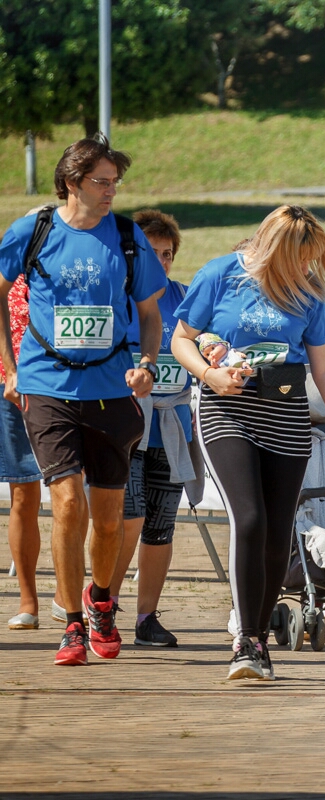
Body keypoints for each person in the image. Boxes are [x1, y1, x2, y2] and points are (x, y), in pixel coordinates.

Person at [171, 204, 325, 681]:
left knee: (279, 531)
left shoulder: (309, 294)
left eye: (312, 260)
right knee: (251, 518)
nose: (307, 269)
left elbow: (324, 369)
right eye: (301, 258)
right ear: (275, 250)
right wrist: (208, 374)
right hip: (227, 411)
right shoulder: (220, 274)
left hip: (286, 415)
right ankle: (244, 640)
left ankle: (258, 638)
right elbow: (181, 339)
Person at [0, 136, 167, 666]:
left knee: (110, 517)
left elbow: (149, 314)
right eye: (101, 181)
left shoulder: (127, 236)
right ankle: (72, 623)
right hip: (46, 384)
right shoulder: (36, 229)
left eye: (115, 181)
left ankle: (100, 601)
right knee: (67, 503)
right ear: (71, 182)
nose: (111, 190)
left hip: (112, 390)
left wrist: (146, 363)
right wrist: (9, 369)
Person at [105, 210, 200, 647]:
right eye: (150, 251)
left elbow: (208, 344)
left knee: (161, 526)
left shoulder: (185, 298)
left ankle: (146, 618)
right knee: (129, 518)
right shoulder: (117, 297)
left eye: (167, 253)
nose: (160, 261)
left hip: (173, 427)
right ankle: (104, 604)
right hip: (126, 426)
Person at [2, 269, 44, 630]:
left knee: (72, 495)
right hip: (9, 390)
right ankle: (28, 600)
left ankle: (68, 595)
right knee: (22, 494)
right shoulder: (6, 279)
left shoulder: (70, 270)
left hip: (64, 388)